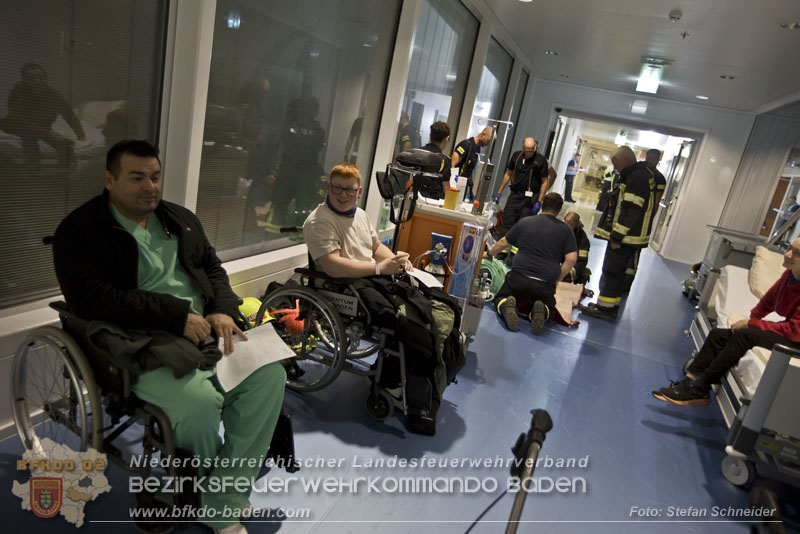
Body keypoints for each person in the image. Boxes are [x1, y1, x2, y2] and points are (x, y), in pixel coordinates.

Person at [52, 140, 286, 534]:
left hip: (207, 332)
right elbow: (92, 300)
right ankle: (219, 502)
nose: (150, 187)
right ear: (109, 179)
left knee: (270, 377)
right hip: (142, 344)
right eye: (136, 177)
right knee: (198, 406)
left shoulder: (180, 220)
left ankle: (217, 499)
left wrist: (222, 309)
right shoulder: (80, 232)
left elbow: (213, 269)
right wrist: (176, 316)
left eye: (155, 177)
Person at [653, 237, 800, 406]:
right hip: (792, 332)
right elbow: (770, 300)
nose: (787, 254)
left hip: (797, 340)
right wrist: (752, 319)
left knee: (745, 335)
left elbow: (795, 331)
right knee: (718, 335)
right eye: (789, 248)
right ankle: (689, 383)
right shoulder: (790, 275)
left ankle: (699, 389)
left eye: (796, 253)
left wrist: (750, 324)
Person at [580, 146, 656, 320]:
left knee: (612, 271)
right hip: (630, 237)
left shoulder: (636, 178)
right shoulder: (639, 175)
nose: (614, 167)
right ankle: (609, 305)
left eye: (615, 163)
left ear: (625, 160)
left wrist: (617, 236)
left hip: (625, 238)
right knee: (617, 272)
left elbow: (631, 210)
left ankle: (605, 309)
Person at [487, 192, 577, 335]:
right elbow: (572, 259)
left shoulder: (526, 222)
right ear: (559, 210)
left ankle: (506, 305)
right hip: (544, 283)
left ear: (542, 205)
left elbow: (503, 242)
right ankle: (540, 310)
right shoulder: (566, 230)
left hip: (518, 277)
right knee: (548, 306)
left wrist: (489, 254)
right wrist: (558, 278)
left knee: (501, 297)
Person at [0, 63, 85, 167]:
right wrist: (47, 131)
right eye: (32, 78)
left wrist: (81, 135)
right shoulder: (17, 92)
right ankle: (31, 173)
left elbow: (69, 114)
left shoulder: (53, 94)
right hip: (16, 125)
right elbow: (18, 118)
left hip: (40, 128)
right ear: (25, 80)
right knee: (30, 140)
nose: (37, 81)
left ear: (46, 78)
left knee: (65, 145)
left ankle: (63, 172)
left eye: (41, 78)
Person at [622, 148, 668, 292]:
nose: (650, 161)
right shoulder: (637, 172)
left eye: (653, 158)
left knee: (633, 256)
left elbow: (656, 202)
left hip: (641, 224)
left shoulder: (659, 178)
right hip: (629, 219)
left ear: (658, 159)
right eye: (649, 157)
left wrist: (648, 221)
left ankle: (626, 286)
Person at [494, 137, 551, 238]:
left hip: (530, 198)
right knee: (507, 221)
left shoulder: (541, 161)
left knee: (524, 225)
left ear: (535, 148)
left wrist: (539, 201)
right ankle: (502, 246)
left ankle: (516, 247)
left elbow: (545, 181)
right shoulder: (517, 156)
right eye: (526, 151)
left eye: (531, 151)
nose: (528, 153)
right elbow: (508, 173)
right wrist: (499, 192)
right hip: (516, 194)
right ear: (523, 148)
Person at [451, 126, 493, 201]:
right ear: (483, 134)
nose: (488, 144)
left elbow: (469, 168)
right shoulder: (466, 145)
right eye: (488, 140)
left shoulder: (477, 149)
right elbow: (452, 164)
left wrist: (471, 186)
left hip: (464, 185)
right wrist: (453, 183)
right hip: (455, 184)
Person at [419, 121, 452, 200]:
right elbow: (446, 189)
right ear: (446, 139)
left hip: (413, 196)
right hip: (432, 201)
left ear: (430, 136)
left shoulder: (417, 152)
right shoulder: (445, 161)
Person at [564, 211, 591, 284]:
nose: (566, 227)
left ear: (575, 225)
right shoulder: (562, 231)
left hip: (574, 265)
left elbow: (582, 261)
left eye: (569, 225)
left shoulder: (582, 239)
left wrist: (568, 274)